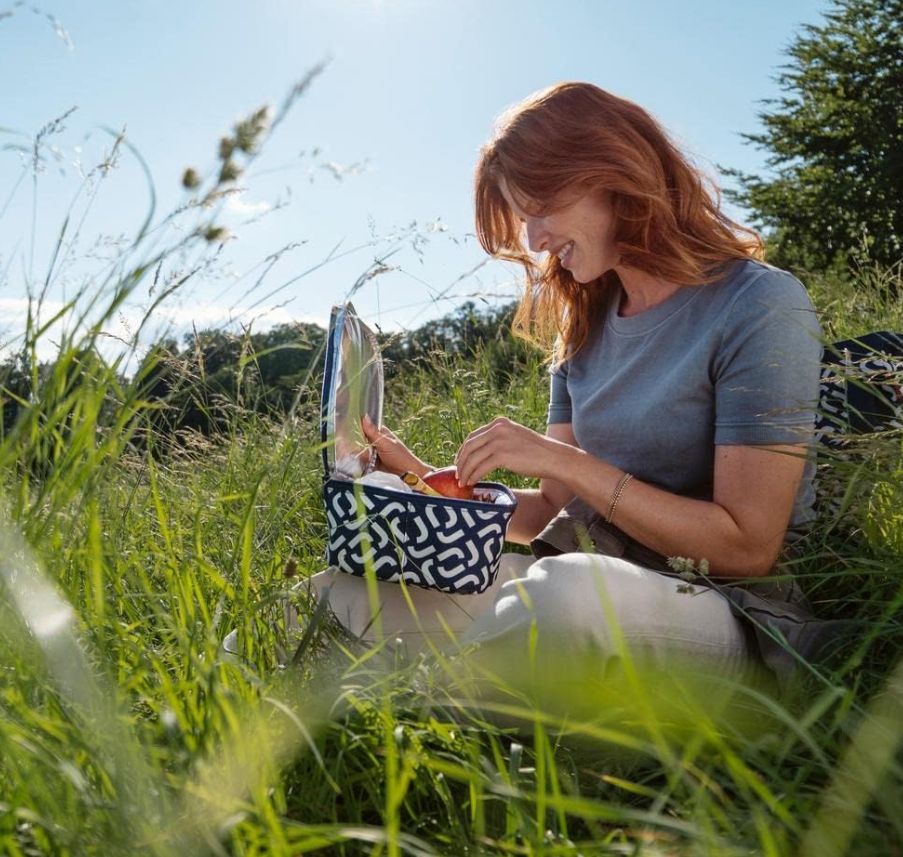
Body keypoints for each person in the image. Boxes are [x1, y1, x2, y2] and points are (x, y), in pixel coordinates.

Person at [301, 82, 824, 690]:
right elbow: (548, 512)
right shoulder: (583, 329)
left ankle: (391, 703)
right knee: (334, 596)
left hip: (726, 609)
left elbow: (747, 547)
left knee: (565, 599)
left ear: (614, 176)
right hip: (586, 576)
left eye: (540, 210)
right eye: (524, 220)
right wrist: (418, 477)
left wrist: (565, 461)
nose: (534, 241)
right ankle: (375, 695)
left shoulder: (759, 303)